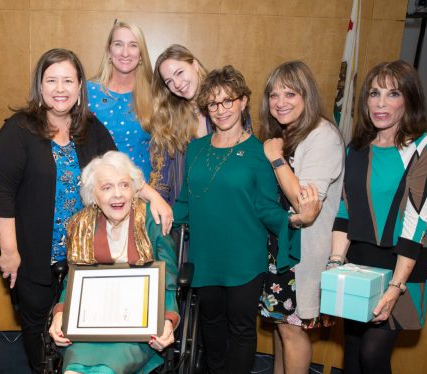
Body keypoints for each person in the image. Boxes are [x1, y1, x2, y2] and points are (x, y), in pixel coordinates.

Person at [0, 48, 173, 373]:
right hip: (31, 252)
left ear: (79, 88)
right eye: (51, 80)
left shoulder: (89, 127)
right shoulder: (19, 129)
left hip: (83, 253)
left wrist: (151, 196)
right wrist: (9, 250)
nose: (60, 88)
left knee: (78, 327)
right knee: (38, 326)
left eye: (68, 81)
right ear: (40, 86)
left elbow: (118, 169)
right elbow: (1, 194)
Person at [173, 65, 319, 373]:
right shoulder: (196, 149)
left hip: (244, 259)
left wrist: (291, 221)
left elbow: (266, 207)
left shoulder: (258, 152)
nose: (221, 109)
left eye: (229, 100)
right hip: (205, 256)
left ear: (243, 102)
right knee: (210, 327)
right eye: (213, 103)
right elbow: (184, 203)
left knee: (241, 330)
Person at [330, 60, 427, 373]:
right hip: (359, 258)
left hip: (403, 260)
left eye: (392, 94)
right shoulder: (356, 148)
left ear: (408, 99)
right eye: (374, 93)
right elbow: (344, 211)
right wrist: (335, 262)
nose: (380, 103)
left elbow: (416, 219)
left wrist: (396, 287)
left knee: (372, 353)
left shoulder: (426, 147)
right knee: (353, 350)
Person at [48, 151, 178, 373]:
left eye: (124, 185)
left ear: (134, 189)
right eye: (107, 188)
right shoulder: (82, 225)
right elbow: (73, 281)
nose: (118, 195)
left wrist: (167, 321)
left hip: (135, 331)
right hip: (90, 330)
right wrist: (59, 314)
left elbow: (167, 282)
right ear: (93, 195)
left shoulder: (150, 220)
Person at [258, 61, 344, 374]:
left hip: (302, 253)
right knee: (283, 328)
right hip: (280, 250)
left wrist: (277, 158)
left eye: (290, 94)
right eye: (274, 95)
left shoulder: (322, 135)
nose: (280, 102)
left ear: (306, 96)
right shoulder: (286, 133)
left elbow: (303, 204)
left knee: (293, 330)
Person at [88, 21, 154, 180]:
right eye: (118, 44)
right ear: (109, 51)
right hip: (98, 190)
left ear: (141, 54)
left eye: (133, 45)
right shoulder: (86, 92)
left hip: (142, 189)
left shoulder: (155, 94)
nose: (125, 52)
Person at [149, 44, 210, 205]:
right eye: (169, 81)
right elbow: (161, 179)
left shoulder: (227, 106)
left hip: (225, 213)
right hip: (182, 222)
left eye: (180, 73)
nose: (177, 84)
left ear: (195, 64)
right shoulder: (168, 119)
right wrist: (158, 207)